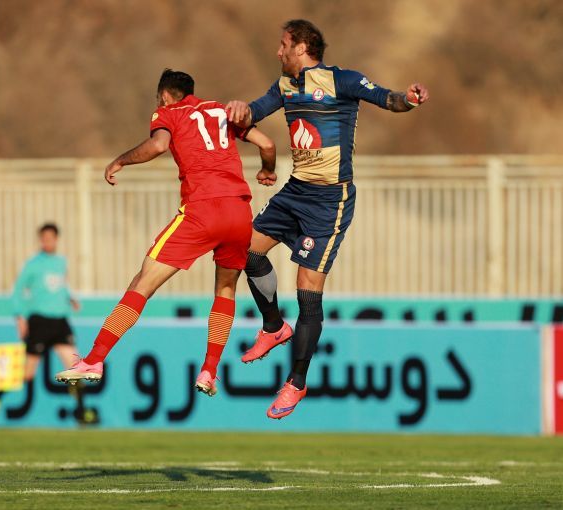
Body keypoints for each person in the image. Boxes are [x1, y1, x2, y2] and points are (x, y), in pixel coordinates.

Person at [226, 19, 430, 419]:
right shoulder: (284, 86)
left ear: (301, 48)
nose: (278, 51)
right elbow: (255, 110)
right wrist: (239, 110)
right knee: (243, 250)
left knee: (307, 289)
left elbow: (389, 100)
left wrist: (410, 98)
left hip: (329, 201)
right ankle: (273, 327)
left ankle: (296, 383)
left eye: (283, 44)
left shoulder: (343, 80)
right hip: (295, 192)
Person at [56, 69, 277, 396]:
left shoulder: (169, 112)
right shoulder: (221, 111)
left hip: (202, 210)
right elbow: (268, 144)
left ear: (163, 96)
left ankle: (94, 359)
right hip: (238, 211)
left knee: (142, 283)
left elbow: (159, 145)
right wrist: (267, 170)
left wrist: (120, 161)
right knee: (226, 288)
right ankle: (209, 370)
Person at [0, 223, 97, 425]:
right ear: (40, 240)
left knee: (76, 368)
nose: (47, 242)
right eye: (44, 238)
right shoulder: (33, 265)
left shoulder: (61, 262)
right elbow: (17, 291)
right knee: (27, 374)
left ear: (56, 239)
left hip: (60, 322)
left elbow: (62, 286)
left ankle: (82, 413)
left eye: (50, 238)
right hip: (40, 322)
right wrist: (20, 318)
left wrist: (70, 298)